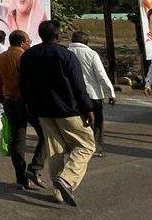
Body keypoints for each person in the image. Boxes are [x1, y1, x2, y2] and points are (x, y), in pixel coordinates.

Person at [19, 20, 96, 207]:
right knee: (86, 145)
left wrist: (30, 105)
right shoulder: (66, 55)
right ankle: (67, 180)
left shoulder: (28, 55)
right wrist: (87, 108)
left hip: (42, 110)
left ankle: (58, 192)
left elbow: (24, 84)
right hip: (67, 109)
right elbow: (78, 85)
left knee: (55, 149)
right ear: (58, 35)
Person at [0, 30, 48, 189]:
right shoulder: (26, 57)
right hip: (27, 102)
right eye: (29, 40)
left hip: (9, 102)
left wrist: (5, 100)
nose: (30, 42)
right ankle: (35, 167)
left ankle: (21, 178)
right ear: (23, 42)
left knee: (17, 141)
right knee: (46, 134)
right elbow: (34, 82)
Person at [68, 31, 116, 157]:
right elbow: (101, 75)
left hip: (72, 94)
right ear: (86, 42)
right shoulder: (91, 54)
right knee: (97, 122)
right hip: (93, 94)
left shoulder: (66, 53)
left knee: (78, 122)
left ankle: (77, 146)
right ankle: (95, 147)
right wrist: (110, 93)